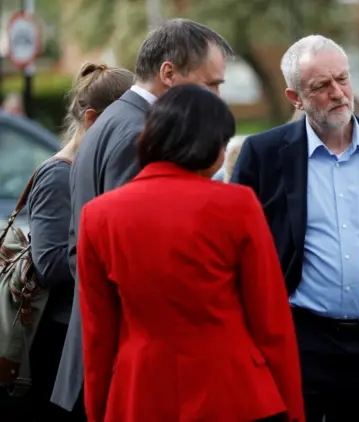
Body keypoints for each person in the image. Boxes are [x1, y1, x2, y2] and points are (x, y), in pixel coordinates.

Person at [76, 84, 303, 422]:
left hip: (140, 394)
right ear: (210, 145)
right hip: (232, 393)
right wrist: (294, 412)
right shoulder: (236, 205)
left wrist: (98, 412)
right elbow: (271, 324)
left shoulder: (98, 216)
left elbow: (97, 337)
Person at [231, 34, 359, 422]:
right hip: (302, 339)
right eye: (322, 86)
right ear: (295, 98)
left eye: (343, 78)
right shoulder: (264, 154)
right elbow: (237, 246)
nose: (339, 92)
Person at [51, 19, 233, 414]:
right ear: (168, 73)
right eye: (211, 85)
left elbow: (82, 248)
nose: (218, 98)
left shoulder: (113, 120)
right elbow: (133, 263)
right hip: (127, 367)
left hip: (102, 354)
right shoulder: (142, 134)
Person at [27, 62, 133, 422]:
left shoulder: (97, 169)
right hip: (60, 338)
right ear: (92, 120)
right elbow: (49, 264)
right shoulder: (58, 175)